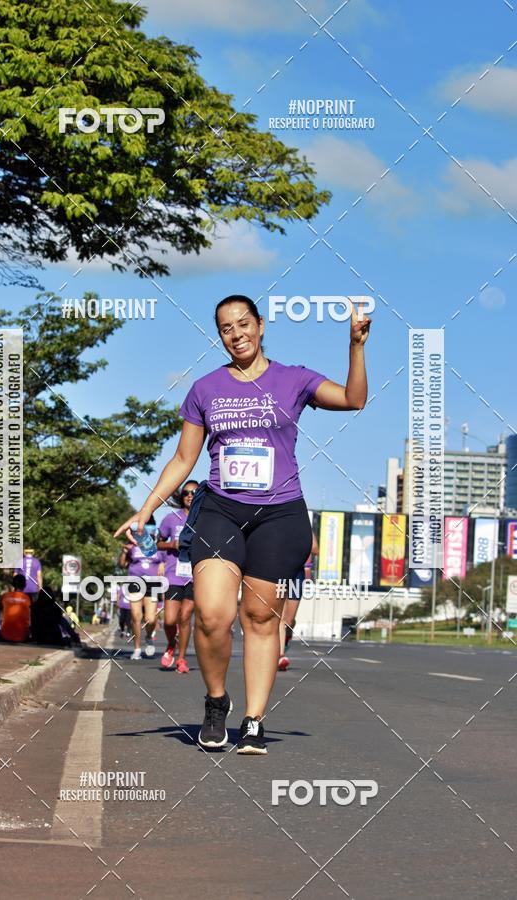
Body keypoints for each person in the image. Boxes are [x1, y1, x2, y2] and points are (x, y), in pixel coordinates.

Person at [115, 294, 370, 754]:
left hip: (279, 513)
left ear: (261, 325)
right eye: (227, 328)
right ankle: (216, 701)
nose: (237, 334)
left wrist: (355, 346)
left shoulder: (294, 379)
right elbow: (183, 458)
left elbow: (355, 400)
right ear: (220, 336)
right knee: (213, 615)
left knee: (259, 618)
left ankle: (254, 720)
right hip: (221, 509)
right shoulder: (205, 389)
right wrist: (146, 507)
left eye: (244, 323)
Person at [156, 481, 198, 674]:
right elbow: (157, 543)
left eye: (194, 493)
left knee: (185, 618)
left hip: (195, 576)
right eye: (186, 493)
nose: (190, 496)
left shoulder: (204, 520)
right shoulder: (171, 519)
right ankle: (171, 646)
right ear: (182, 496)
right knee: (170, 620)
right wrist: (172, 544)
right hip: (174, 575)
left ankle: (181, 659)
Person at [118, 515, 163, 660]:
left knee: (150, 619)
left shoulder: (158, 547)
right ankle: (137, 649)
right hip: (135, 583)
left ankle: (149, 636)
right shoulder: (133, 545)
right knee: (136, 617)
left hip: (152, 584)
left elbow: (163, 562)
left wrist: (162, 566)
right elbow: (122, 564)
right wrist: (125, 551)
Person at [278, 532, 318, 671]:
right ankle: (280, 656)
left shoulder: (305, 528)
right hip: (279, 571)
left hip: (297, 574)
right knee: (281, 618)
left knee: (289, 620)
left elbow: (315, 549)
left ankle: (286, 638)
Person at [0, 574, 31, 642]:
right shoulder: (27, 598)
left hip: (5, 635)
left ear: (13, 584)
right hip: (22, 636)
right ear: (25, 585)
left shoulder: (5, 596)